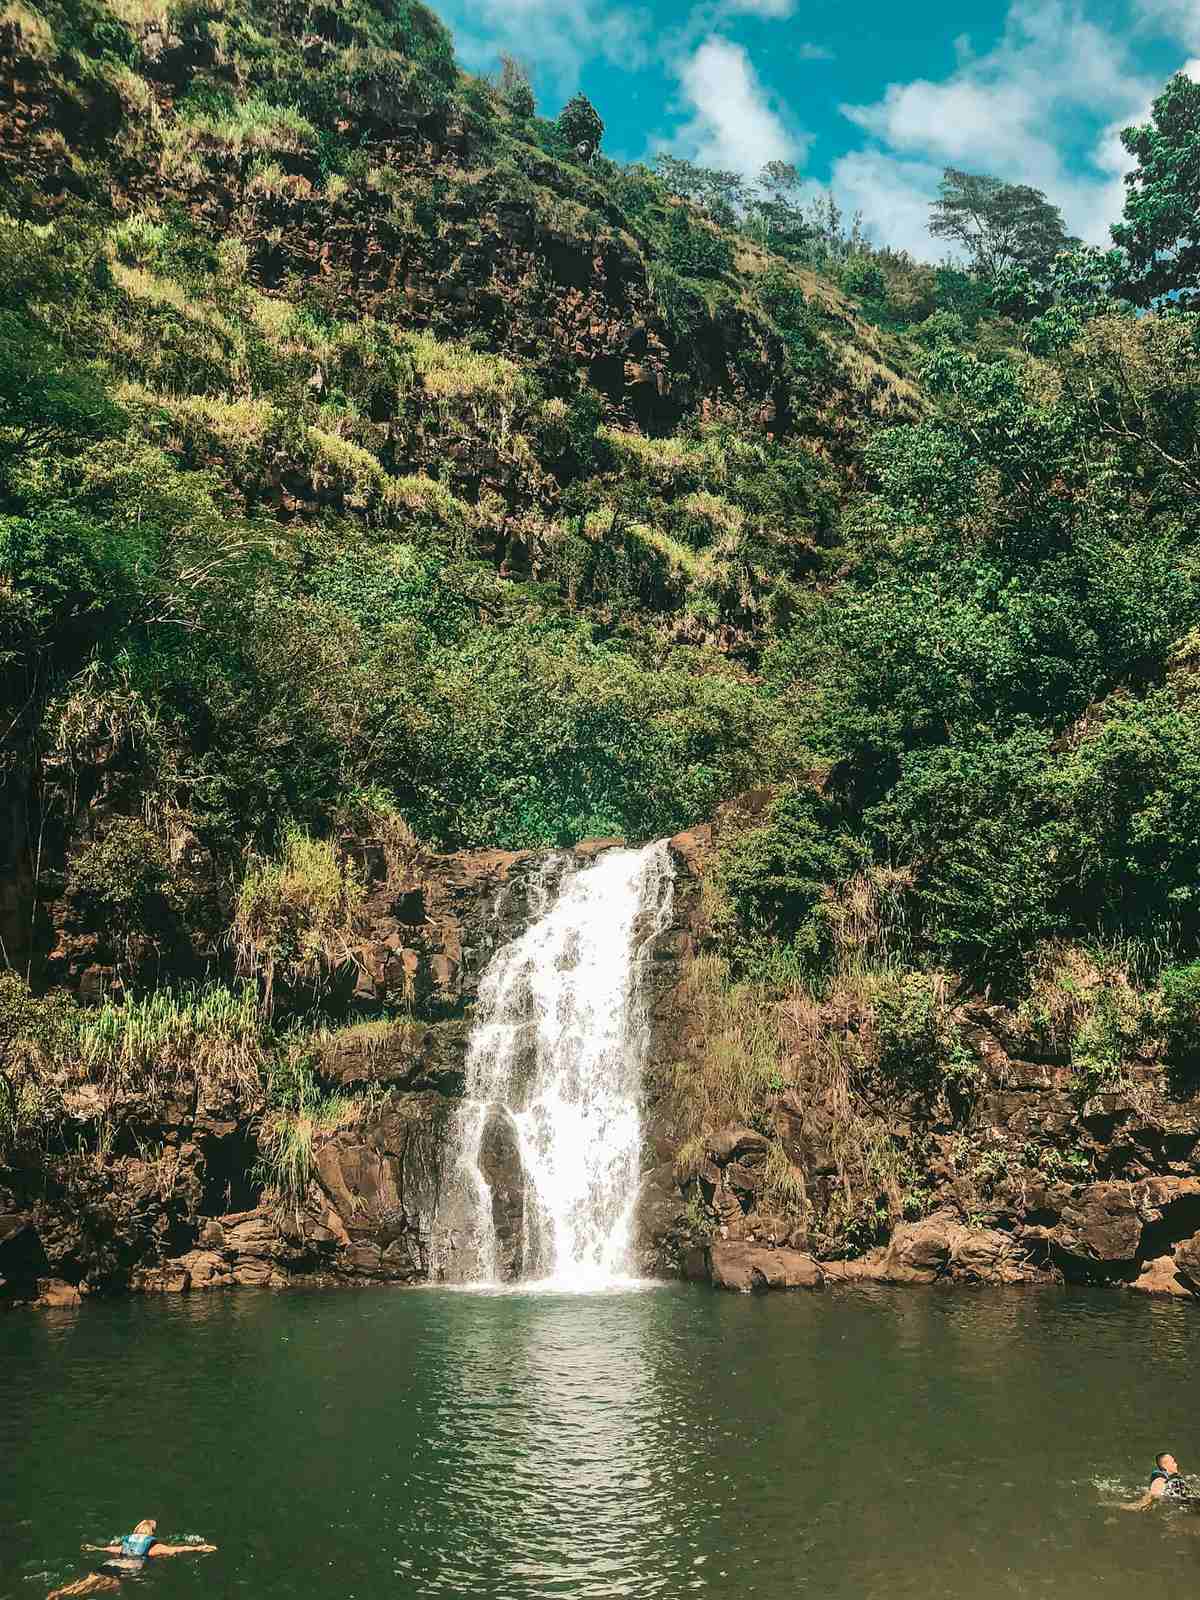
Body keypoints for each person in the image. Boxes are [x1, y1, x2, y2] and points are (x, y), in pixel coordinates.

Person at [46, 1520, 216, 1600]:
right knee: (110, 1589)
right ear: (151, 1533)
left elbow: (109, 1549)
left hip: (108, 1565)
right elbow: (177, 1549)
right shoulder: (153, 1547)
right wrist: (201, 1547)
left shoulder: (125, 1543)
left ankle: (58, 1593)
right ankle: (61, 1595)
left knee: (85, 1584)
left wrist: (94, 1548)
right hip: (123, 1571)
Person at [1119, 1452, 1193, 1510]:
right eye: (1173, 1462)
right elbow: (1155, 1494)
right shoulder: (1159, 1479)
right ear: (1165, 1465)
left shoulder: (1174, 1478)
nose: (1176, 1464)